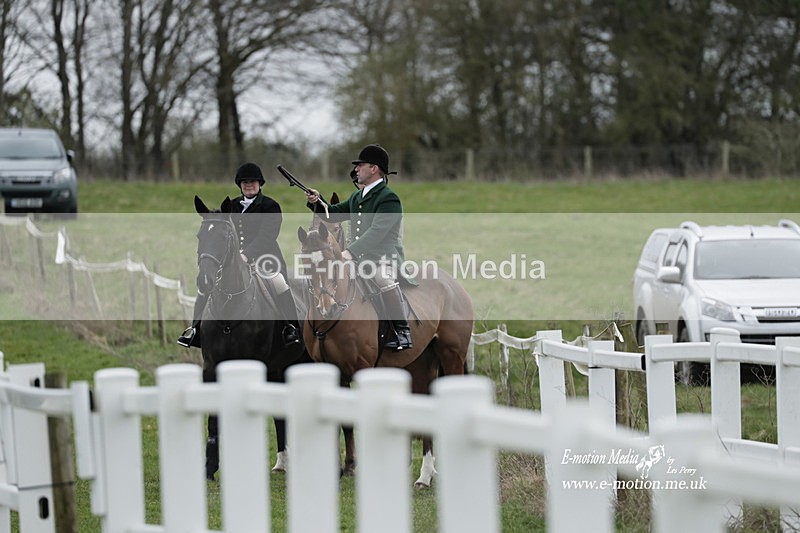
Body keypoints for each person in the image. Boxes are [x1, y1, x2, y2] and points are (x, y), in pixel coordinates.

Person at [178, 162, 301, 348]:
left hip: (265, 259)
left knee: (279, 282)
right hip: (232, 262)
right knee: (206, 285)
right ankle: (194, 330)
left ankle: (290, 328)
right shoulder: (232, 205)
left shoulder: (270, 206)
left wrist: (246, 255)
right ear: (239, 185)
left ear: (260, 184)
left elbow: (267, 237)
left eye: (252, 181)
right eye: (244, 182)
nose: (248, 185)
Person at [305, 144, 413, 350]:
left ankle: (402, 331)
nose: (356, 169)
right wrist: (317, 201)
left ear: (374, 169)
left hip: (382, 257)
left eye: (360, 165)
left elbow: (377, 232)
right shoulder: (358, 196)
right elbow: (333, 214)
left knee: (382, 279)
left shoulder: (389, 198)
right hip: (355, 257)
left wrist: (350, 252)